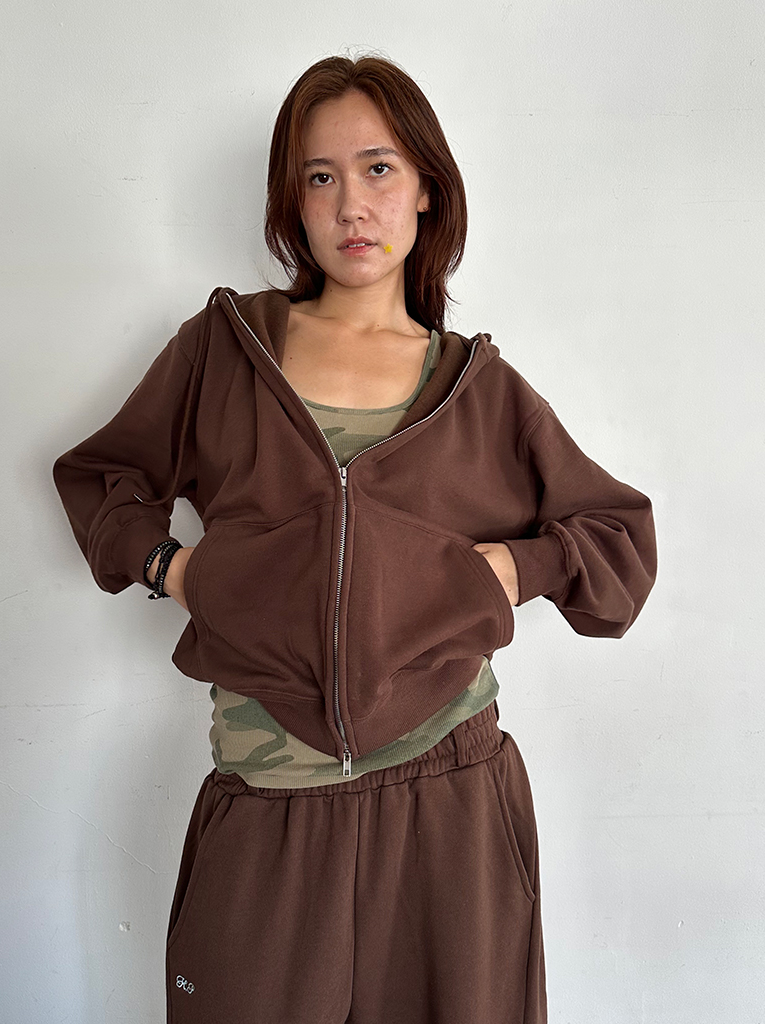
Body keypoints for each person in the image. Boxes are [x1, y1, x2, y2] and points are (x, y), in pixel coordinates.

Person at [52, 53, 657, 1024]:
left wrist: (509, 568)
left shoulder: (475, 387)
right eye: (319, 177)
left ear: (426, 188)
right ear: (292, 203)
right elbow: (101, 480)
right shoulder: (223, 353)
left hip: (450, 806)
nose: (351, 205)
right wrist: (177, 569)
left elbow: (618, 542)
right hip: (267, 807)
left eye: (378, 169)